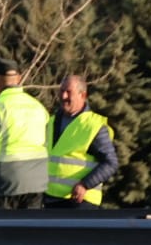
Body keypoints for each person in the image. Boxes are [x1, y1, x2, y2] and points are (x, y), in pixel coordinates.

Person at [0, 58, 49, 209]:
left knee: (1, 230)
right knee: (29, 230)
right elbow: (47, 144)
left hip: (4, 182)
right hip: (36, 182)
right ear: (19, 79)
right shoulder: (39, 107)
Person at [45, 75, 119, 208]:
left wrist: (85, 184)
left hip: (81, 201)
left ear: (82, 95)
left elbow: (111, 163)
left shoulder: (93, 125)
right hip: (51, 200)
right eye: (61, 91)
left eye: (68, 92)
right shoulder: (52, 122)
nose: (63, 96)